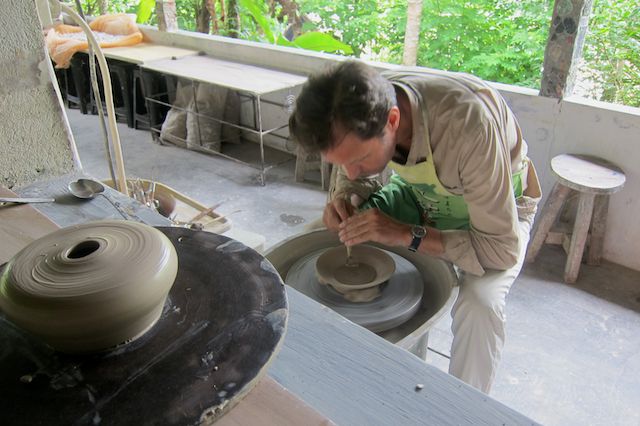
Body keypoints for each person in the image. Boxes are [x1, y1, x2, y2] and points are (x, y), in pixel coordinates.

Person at [288, 60, 542, 393]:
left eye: (359, 159)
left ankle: (464, 406)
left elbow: (501, 250)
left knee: (480, 305)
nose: (350, 171)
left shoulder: (469, 126)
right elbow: (353, 178)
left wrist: (406, 234)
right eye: (341, 163)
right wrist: (344, 198)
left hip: (497, 217)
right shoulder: (356, 103)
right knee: (315, 239)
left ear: (393, 121)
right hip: (421, 196)